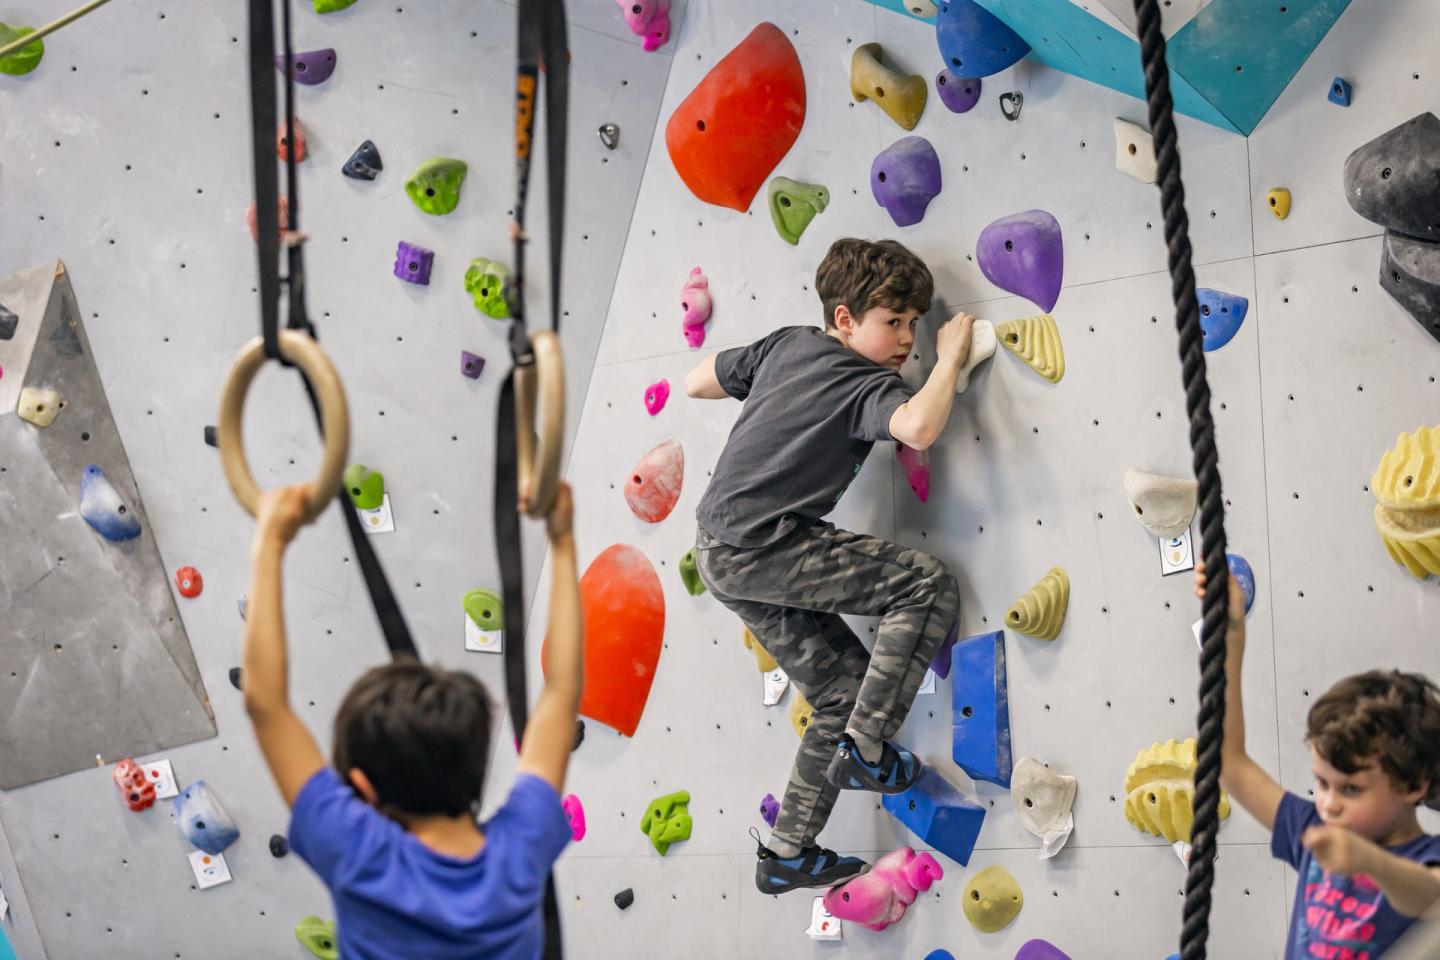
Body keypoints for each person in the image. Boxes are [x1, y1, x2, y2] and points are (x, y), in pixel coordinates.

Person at [685, 237, 973, 894]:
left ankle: (786, 851)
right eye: (893, 321)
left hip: (716, 548)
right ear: (845, 319)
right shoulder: (866, 384)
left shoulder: (787, 344)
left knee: (841, 694)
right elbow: (918, 427)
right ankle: (867, 749)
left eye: (914, 323)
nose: (907, 338)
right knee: (925, 585)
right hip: (765, 545)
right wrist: (950, 357)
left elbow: (698, 380)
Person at [242, 480, 582, 960]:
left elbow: (265, 706)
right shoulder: (519, 851)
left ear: (364, 789)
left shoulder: (363, 860)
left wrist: (270, 540)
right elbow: (561, 694)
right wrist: (563, 540)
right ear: (475, 764)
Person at [1197, 566, 1440, 958]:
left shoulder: (1426, 860)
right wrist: (1232, 632)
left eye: (1351, 789)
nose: (1328, 803)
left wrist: (1371, 863)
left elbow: (1429, 896)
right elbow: (1230, 763)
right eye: (1322, 784)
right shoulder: (1314, 829)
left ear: (1414, 785)